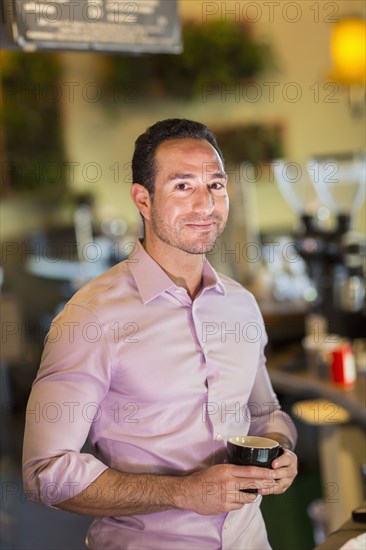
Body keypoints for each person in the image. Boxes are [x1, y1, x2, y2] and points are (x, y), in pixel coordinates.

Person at [23, 119, 298, 549]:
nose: (206, 204)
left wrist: (281, 449)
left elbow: (264, 413)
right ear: (143, 199)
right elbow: (46, 473)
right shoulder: (90, 317)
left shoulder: (241, 304)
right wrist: (181, 492)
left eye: (216, 184)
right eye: (183, 187)